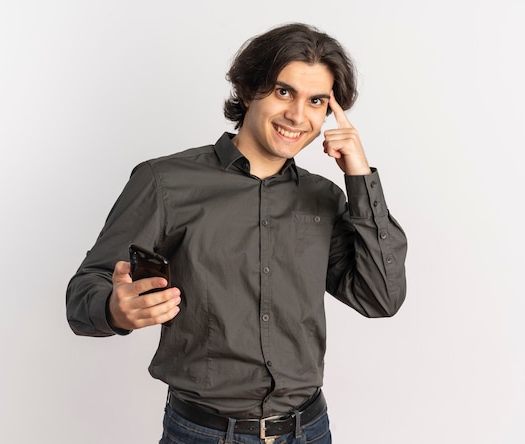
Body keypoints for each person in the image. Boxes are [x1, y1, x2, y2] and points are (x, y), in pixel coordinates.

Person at [66, 22, 407, 444]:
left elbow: (380, 297)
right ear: (248, 89)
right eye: (284, 92)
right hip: (203, 434)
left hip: (309, 431)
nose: (298, 115)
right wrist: (114, 309)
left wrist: (360, 176)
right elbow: (83, 292)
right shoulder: (165, 182)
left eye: (316, 101)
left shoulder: (326, 198)